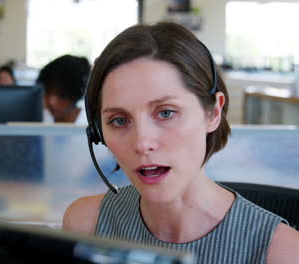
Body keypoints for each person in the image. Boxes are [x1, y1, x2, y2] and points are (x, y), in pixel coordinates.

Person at [62, 22, 299, 263]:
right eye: (120, 120)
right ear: (98, 133)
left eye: (166, 113)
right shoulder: (85, 225)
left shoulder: (283, 252)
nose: (142, 143)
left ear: (214, 113)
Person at [36, 55, 90, 124]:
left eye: (60, 94)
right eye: (47, 93)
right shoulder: (39, 118)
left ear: (75, 94)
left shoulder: (87, 123)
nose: (51, 102)